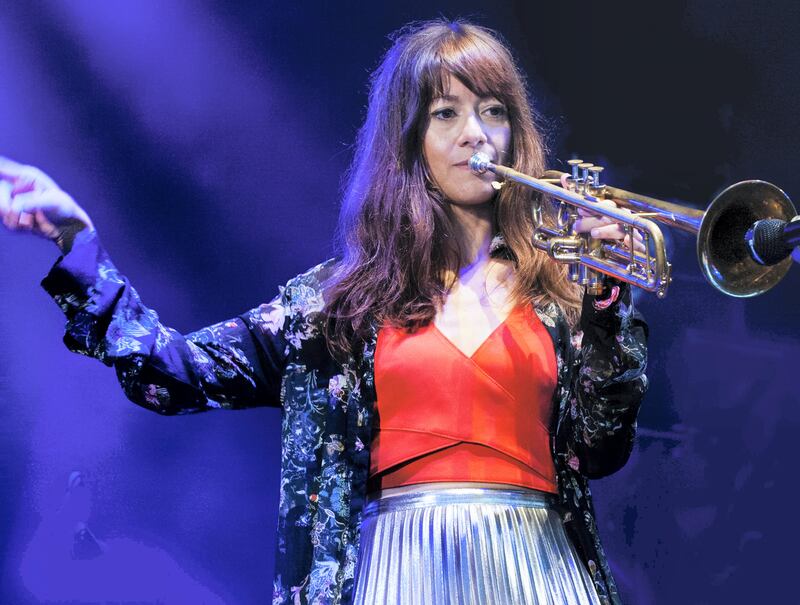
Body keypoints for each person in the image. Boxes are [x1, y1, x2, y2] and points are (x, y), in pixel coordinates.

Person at [0, 19, 648, 605]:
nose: (475, 133)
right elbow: (168, 372)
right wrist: (76, 241)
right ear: (409, 139)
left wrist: (607, 307)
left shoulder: (561, 296)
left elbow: (600, 445)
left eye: (494, 110)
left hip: (537, 567)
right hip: (401, 567)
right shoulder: (332, 308)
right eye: (446, 112)